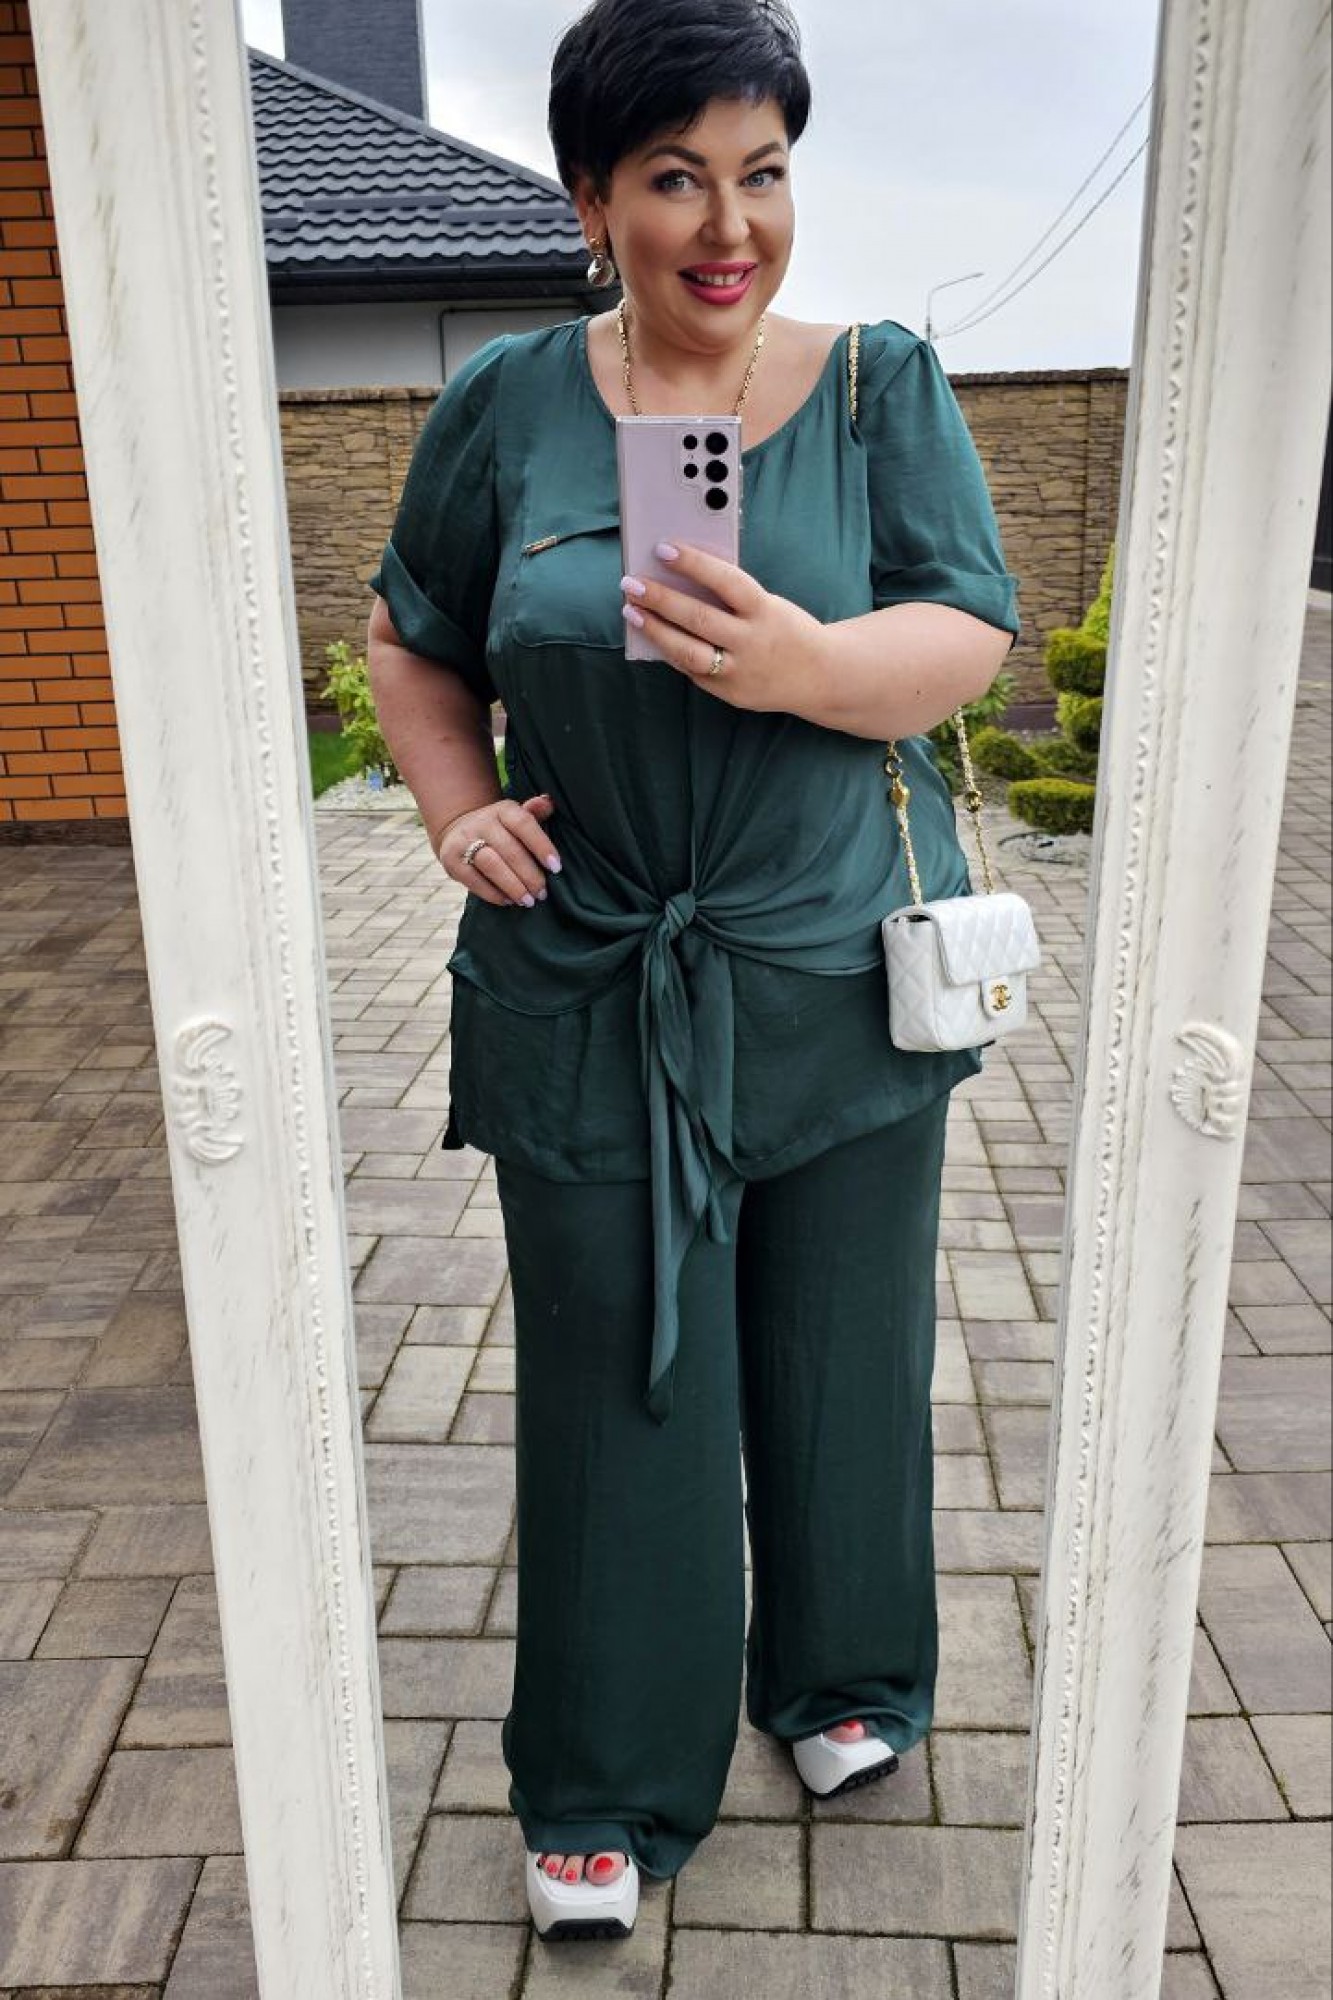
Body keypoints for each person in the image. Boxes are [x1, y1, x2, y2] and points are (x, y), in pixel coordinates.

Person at [366, 0, 1019, 1944]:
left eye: (763, 172)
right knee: (611, 1373)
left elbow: (967, 626)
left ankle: (842, 1673)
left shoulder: (878, 383)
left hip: (823, 957)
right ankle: (605, 1778)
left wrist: (811, 666)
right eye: (676, 177)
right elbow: (415, 639)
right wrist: (455, 811)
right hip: (589, 963)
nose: (730, 225)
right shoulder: (507, 403)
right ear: (592, 198)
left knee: (840, 1350)